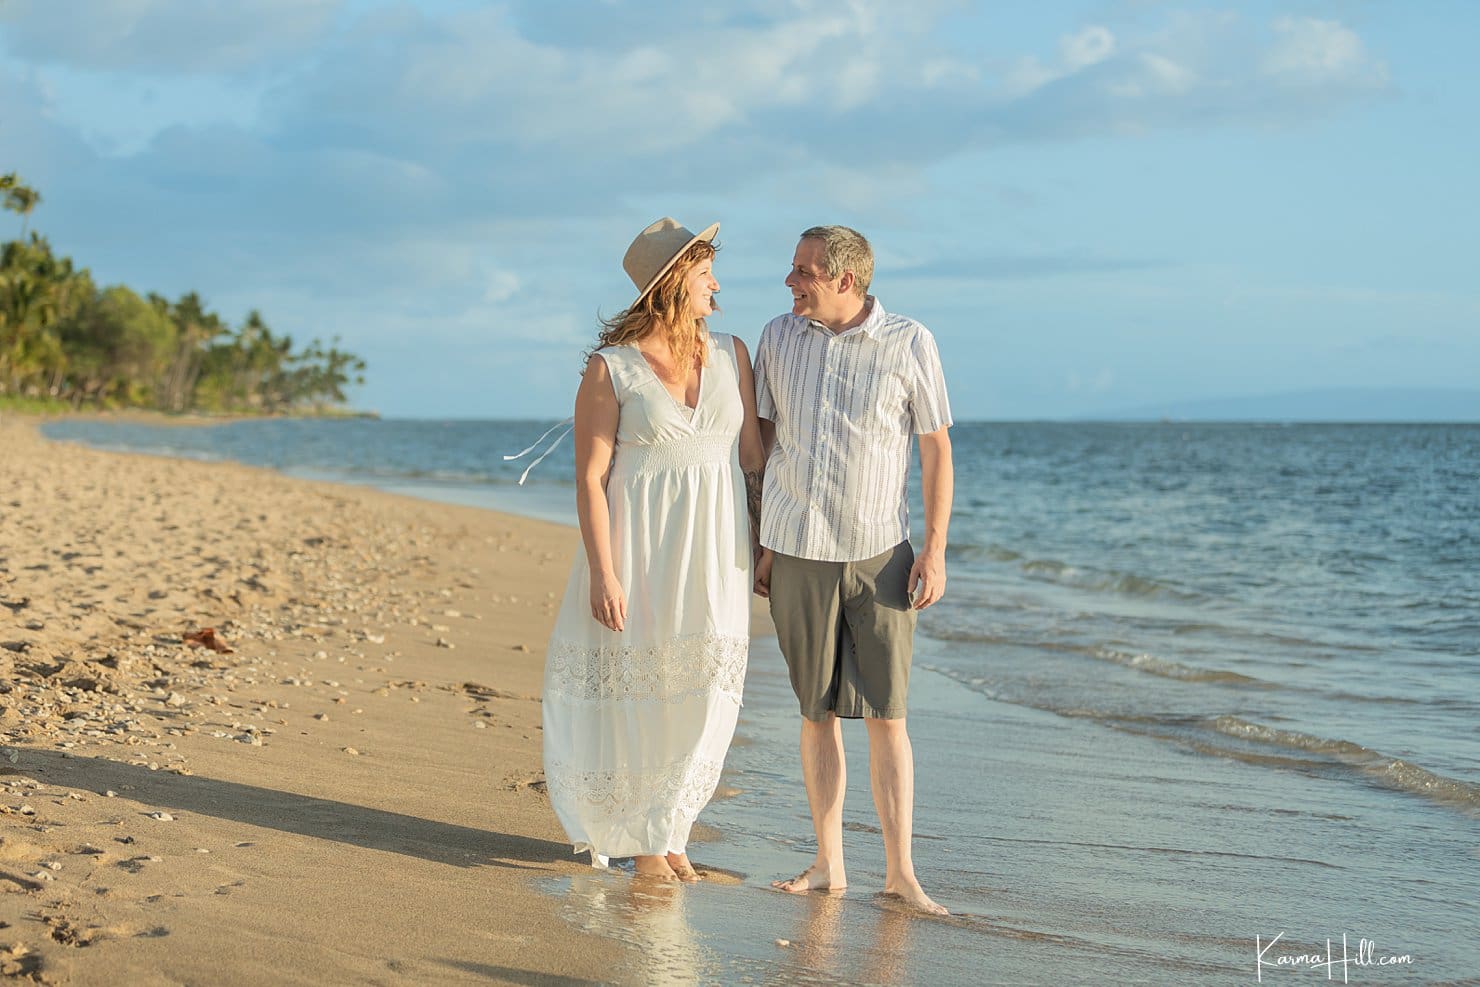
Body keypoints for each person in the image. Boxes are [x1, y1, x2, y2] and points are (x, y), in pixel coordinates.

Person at [541, 217, 766, 882]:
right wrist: (603, 572)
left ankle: (670, 826)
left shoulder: (734, 354)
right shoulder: (611, 369)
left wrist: (773, 541)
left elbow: (753, 458)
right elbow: (589, 477)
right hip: (639, 550)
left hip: (717, 549)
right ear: (672, 283)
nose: (716, 285)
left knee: (706, 695)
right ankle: (650, 843)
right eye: (704, 274)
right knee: (645, 692)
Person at [752, 224, 954, 915]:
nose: (790, 282)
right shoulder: (778, 337)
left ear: (845, 280)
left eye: (803, 271)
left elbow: (935, 451)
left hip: (880, 552)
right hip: (797, 550)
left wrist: (935, 548)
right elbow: (765, 441)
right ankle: (828, 863)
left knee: (887, 716)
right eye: (793, 268)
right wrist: (762, 539)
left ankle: (901, 871)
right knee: (817, 713)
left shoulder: (910, 342)